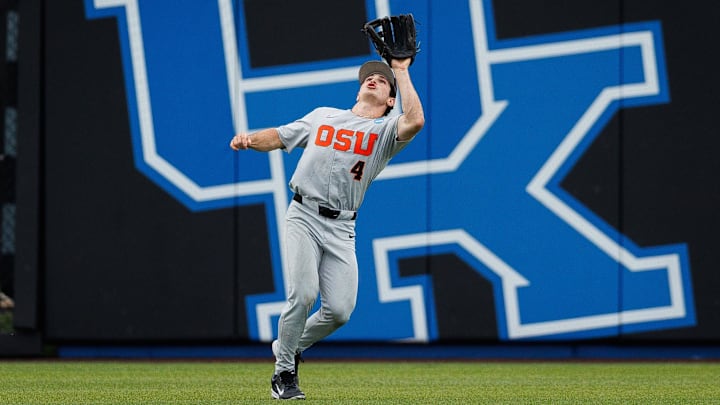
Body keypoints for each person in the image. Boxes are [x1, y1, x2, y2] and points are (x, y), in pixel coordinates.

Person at [230, 57, 424, 400]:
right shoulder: (324, 116)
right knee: (303, 293)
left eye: (382, 80)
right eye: (369, 78)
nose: (375, 80)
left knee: (339, 311)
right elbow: (279, 136)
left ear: (391, 100)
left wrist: (401, 71)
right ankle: (284, 373)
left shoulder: (384, 133)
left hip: (342, 227)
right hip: (303, 215)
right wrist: (249, 139)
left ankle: (286, 345)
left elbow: (415, 120)